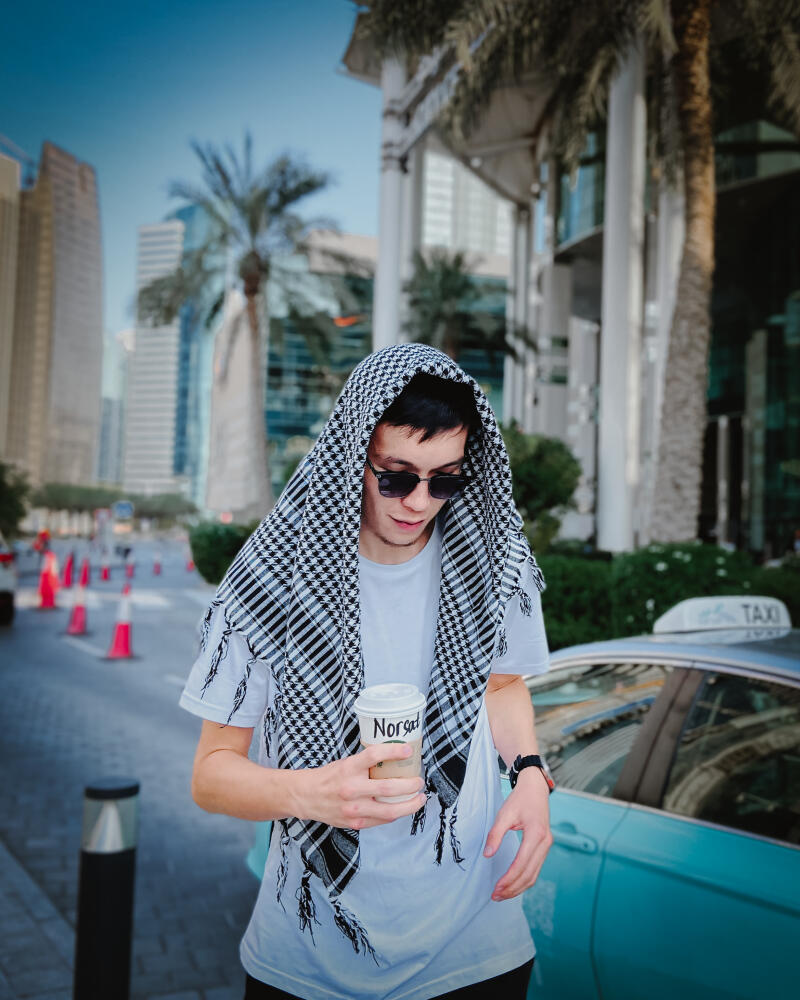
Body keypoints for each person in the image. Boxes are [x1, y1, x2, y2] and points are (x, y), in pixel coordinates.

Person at [180, 344, 553, 1000]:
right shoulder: (270, 584)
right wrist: (311, 794)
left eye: (446, 479)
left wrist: (529, 774)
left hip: (478, 950)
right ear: (354, 455)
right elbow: (210, 777)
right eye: (397, 476)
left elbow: (502, 686)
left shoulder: (496, 564)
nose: (420, 501)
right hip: (308, 962)